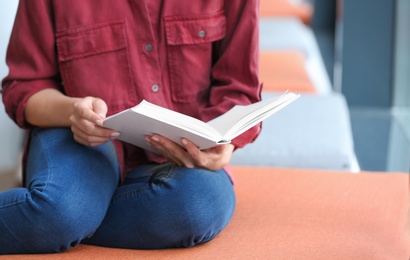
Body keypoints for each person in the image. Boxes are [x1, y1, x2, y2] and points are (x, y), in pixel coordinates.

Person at [0, 0, 261, 254]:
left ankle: (70, 217)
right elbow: (23, 88)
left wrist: (223, 143)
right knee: (60, 211)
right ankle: (66, 215)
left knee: (198, 206)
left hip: (184, 159)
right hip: (78, 137)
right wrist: (72, 111)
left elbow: (240, 89)